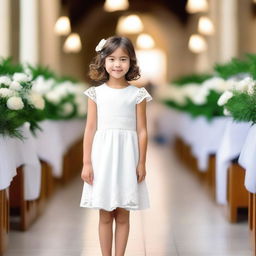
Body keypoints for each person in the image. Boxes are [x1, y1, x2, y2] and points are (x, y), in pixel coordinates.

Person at [80, 36, 152, 256]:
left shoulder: (137, 94)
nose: (117, 64)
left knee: (122, 213)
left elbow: (142, 130)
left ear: (131, 62)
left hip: (127, 158)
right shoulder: (96, 93)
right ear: (103, 61)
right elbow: (90, 129)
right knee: (104, 213)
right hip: (102, 158)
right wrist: (86, 163)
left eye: (123, 59)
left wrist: (142, 162)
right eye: (112, 59)